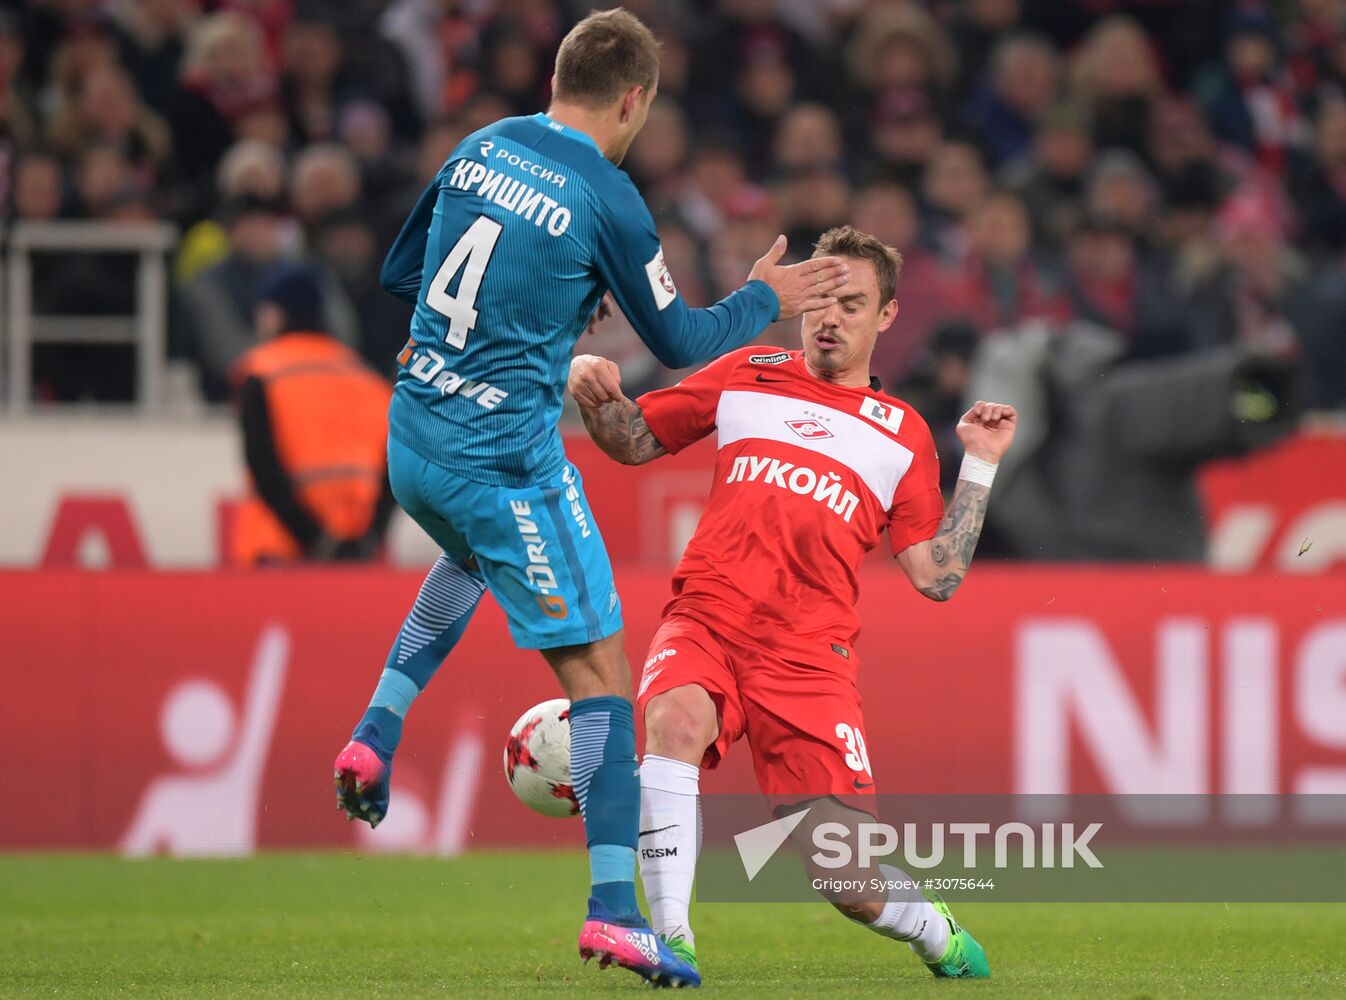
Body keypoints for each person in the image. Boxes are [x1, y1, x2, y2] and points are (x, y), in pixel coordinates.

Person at [330, 8, 848, 988]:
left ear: (558, 79)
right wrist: (763, 300)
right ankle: (615, 913)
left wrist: (549, 302)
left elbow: (403, 272)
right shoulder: (606, 196)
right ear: (634, 100)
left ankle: (375, 733)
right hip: (501, 462)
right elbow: (682, 341)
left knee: (468, 555)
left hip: (413, 440)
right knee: (605, 680)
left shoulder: (482, 144)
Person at [567, 225, 1019, 983]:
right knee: (674, 722)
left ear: (888, 315)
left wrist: (979, 463)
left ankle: (931, 929)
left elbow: (935, 577)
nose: (830, 317)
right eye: (819, 299)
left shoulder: (903, 435)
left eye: (852, 303)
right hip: (706, 616)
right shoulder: (746, 371)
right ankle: (671, 939)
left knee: (844, 878)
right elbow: (634, 441)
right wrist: (594, 393)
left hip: (809, 661)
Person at [230, 265, 395, 566]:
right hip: (355, 555)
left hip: (279, 552)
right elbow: (394, 471)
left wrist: (317, 540)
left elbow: (264, 467)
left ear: (277, 312)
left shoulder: (263, 372)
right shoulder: (367, 379)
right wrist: (368, 538)